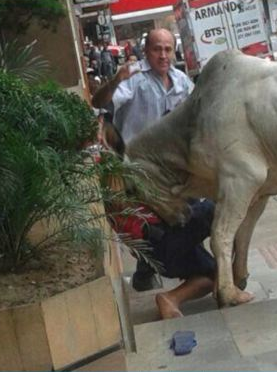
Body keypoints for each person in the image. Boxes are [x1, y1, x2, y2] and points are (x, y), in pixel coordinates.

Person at [92, 29, 218, 320]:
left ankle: (161, 267)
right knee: (183, 220)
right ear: (145, 51)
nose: (162, 55)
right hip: (137, 173)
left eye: (167, 49)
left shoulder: (182, 82)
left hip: (174, 172)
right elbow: (99, 102)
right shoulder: (133, 80)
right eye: (156, 50)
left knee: (187, 222)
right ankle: (153, 261)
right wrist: (115, 80)